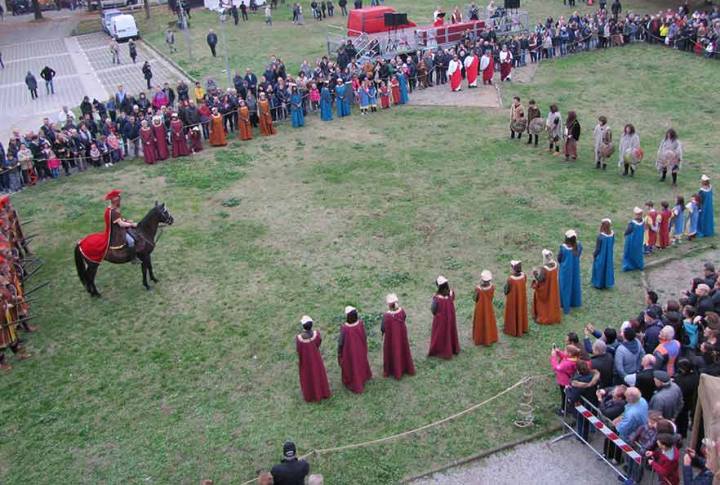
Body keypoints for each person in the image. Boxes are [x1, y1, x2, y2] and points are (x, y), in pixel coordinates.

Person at [296, 315, 331, 403]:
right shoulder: (316, 334)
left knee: (308, 376)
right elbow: (318, 343)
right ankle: (322, 392)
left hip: (306, 360)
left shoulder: (299, 339)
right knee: (318, 374)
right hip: (316, 359)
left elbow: (298, 349)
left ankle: (311, 395)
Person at [338, 306, 372, 393]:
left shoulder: (345, 328)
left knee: (351, 365)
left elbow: (341, 342)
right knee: (360, 362)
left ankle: (354, 382)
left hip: (349, 352)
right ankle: (363, 377)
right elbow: (364, 335)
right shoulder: (360, 324)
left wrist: (340, 352)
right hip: (360, 349)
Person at [381, 294, 415, 379]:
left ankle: (394, 370)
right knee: (402, 349)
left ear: (389, 304)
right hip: (401, 336)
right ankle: (404, 367)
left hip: (391, 338)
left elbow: (383, 328)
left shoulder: (386, 316)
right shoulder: (401, 311)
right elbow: (404, 318)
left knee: (392, 351)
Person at [428, 275, 460, 359]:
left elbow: (433, 310)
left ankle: (441, 350)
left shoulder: (437, 298)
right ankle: (452, 348)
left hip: (440, 320)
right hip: (450, 318)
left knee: (440, 334)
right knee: (450, 332)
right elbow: (452, 298)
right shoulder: (451, 293)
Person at [532, 249, 561, 325]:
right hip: (553, 287)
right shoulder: (555, 264)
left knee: (538, 295)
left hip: (545, 289)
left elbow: (540, 279)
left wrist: (535, 273)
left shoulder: (544, 269)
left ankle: (544, 315)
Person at [557, 230, 582, 315]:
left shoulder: (563, 248)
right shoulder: (578, 246)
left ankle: (565, 304)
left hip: (565, 271)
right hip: (575, 269)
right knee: (574, 284)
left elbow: (559, 259)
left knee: (565, 287)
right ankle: (574, 302)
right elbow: (579, 254)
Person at [550, 344, 580, 414]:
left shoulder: (567, 363)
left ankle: (563, 410)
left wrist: (553, 357)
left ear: (570, 353)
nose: (564, 351)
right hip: (568, 380)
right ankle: (568, 405)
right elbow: (565, 356)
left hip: (564, 382)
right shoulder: (574, 358)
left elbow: (557, 367)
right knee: (566, 394)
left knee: (564, 395)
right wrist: (558, 352)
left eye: (565, 350)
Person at [473, 270, 498, 345]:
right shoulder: (492, 287)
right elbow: (492, 297)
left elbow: (474, 298)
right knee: (488, 321)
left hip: (480, 308)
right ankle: (489, 337)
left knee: (480, 322)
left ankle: (480, 338)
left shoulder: (478, 289)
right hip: (489, 308)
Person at [504, 260, 528, 337]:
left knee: (513, 313)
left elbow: (506, 290)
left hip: (512, 300)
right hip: (521, 298)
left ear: (513, 269)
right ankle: (522, 327)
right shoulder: (524, 275)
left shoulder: (511, 279)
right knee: (521, 310)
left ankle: (512, 329)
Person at [591, 218, 615, 289]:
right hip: (609, 256)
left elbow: (598, 249)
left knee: (599, 268)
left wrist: (594, 255)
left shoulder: (600, 237)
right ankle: (606, 283)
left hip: (601, 256)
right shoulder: (612, 234)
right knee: (607, 268)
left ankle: (598, 284)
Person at [622, 207, 645, 271]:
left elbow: (628, 231)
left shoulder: (632, 223)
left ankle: (629, 266)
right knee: (638, 253)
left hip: (632, 240)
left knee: (629, 252)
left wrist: (625, 234)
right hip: (639, 240)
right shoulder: (643, 221)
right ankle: (639, 265)